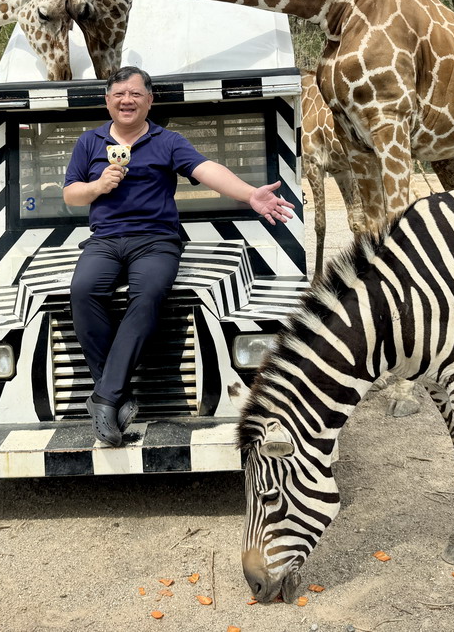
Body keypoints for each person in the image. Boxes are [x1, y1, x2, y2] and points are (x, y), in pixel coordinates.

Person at [63, 66, 295, 446]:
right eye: (119, 94)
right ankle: (114, 393)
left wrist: (249, 194)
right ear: (107, 101)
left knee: (149, 294)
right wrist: (98, 185)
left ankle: (104, 397)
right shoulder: (89, 143)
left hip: (156, 240)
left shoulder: (167, 141)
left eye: (136, 94)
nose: (127, 100)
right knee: (83, 291)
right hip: (104, 240)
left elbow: (207, 170)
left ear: (149, 100)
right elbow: (71, 194)